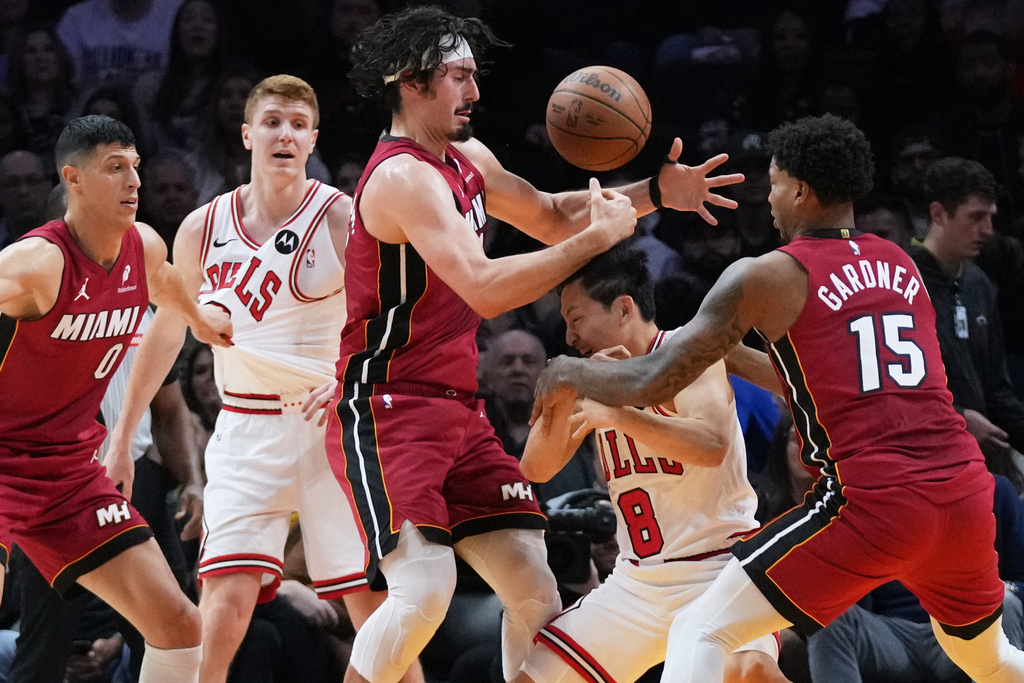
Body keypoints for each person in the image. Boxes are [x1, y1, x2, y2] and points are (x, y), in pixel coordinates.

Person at [329, 7, 744, 683]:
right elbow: (486, 287)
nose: (476, 91)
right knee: (423, 592)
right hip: (387, 409)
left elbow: (551, 215)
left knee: (534, 586)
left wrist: (655, 193)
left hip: (459, 410)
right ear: (410, 81)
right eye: (460, 76)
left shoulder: (466, 157)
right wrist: (599, 239)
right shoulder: (402, 177)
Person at [533, 113, 1024, 683]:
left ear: (800, 190)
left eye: (772, 182)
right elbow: (814, 379)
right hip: (963, 494)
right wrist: (715, 348)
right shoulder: (901, 264)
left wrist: (569, 371)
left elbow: (653, 383)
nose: (768, 198)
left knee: (701, 628)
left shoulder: (768, 273)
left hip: (874, 502)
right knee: (987, 660)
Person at [106, 74, 419, 683]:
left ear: (313, 140)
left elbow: (402, 312)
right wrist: (121, 435)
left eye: (299, 125)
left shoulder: (342, 218)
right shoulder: (202, 226)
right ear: (248, 133)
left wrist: (358, 376)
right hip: (245, 427)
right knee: (223, 598)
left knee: (372, 610)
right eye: (274, 122)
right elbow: (165, 331)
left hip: (331, 429)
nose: (286, 135)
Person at [0, 114, 232, 680]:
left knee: (180, 625)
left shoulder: (143, 247)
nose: (133, 180)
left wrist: (204, 322)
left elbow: (172, 295)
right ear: (73, 180)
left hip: (71, 475)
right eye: (114, 168)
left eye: (135, 167)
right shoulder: (37, 264)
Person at [514, 245, 785, 683]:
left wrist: (620, 415)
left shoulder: (688, 354)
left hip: (718, 570)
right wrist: (564, 396)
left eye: (576, 319)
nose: (569, 337)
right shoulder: (591, 373)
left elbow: (712, 444)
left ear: (623, 309)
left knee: (750, 672)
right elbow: (536, 468)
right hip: (637, 582)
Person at [909, 156, 1024, 491]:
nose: (987, 230)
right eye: (976, 217)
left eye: (990, 217)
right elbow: (893, 386)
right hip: (923, 463)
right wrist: (957, 417)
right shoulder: (899, 279)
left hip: (980, 467)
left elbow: (997, 392)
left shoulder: (979, 283)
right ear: (938, 214)